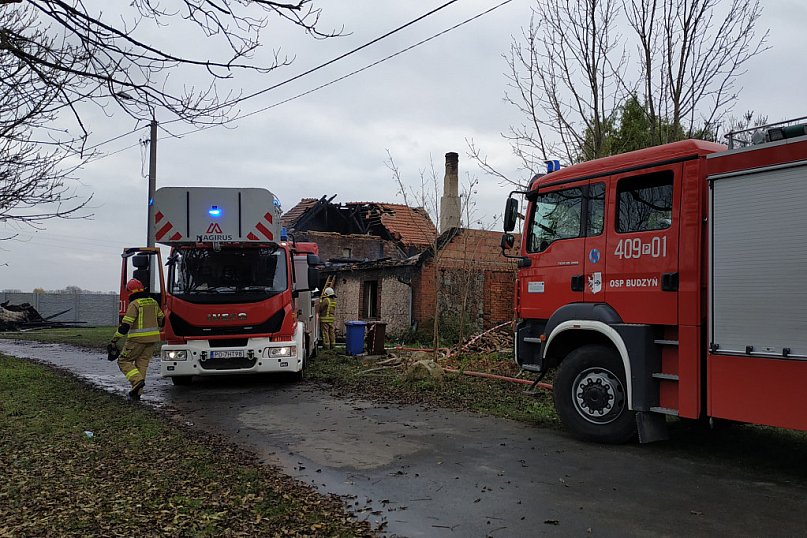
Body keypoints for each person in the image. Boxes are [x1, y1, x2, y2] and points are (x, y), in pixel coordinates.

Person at [108, 278, 165, 400]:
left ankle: (137, 381)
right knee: (142, 364)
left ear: (130, 291)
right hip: (152, 339)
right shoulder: (153, 302)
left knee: (123, 361)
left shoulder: (134, 304)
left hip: (136, 340)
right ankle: (137, 392)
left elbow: (126, 325)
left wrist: (114, 340)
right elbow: (162, 319)